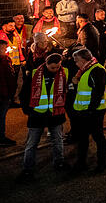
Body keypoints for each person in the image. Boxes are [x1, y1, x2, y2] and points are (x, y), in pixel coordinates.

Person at [18, 53, 69, 182]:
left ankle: (59, 162)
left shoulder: (64, 73)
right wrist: (28, 110)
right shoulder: (35, 74)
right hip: (37, 115)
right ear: (46, 64)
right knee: (32, 144)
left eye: (57, 67)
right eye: (52, 68)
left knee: (58, 140)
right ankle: (28, 169)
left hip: (55, 114)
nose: (55, 70)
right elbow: (23, 94)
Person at [69, 48, 106, 174]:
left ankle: (101, 163)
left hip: (94, 111)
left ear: (83, 59)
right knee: (83, 138)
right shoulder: (86, 70)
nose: (76, 64)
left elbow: (98, 92)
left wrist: (91, 110)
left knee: (98, 137)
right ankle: (81, 163)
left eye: (77, 61)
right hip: (85, 110)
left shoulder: (97, 70)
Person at [0, 39, 17, 146]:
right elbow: (10, 79)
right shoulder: (4, 61)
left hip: (3, 92)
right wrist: (11, 94)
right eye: (4, 48)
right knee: (1, 117)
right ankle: (1, 138)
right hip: (2, 93)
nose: (6, 50)